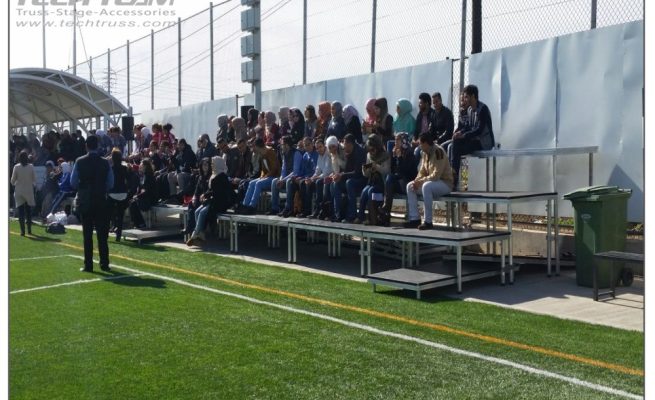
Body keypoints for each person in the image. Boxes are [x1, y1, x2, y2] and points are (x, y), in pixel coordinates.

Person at [70, 135, 114, 271]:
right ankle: (104, 263)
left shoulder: (79, 161)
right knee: (102, 235)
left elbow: (73, 182)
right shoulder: (105, 162)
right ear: (98, 146)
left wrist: (82, 187)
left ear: (86, 146)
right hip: (100, 199)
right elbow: (111, 183)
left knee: (87, 235)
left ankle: (88, 265)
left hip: (85, 200)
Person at [449, 84, 495, 190]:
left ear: (473, 96)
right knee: (454, 145)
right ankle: (454, 178)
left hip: (483, 142)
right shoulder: (469, 109)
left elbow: (479, 130)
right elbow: (467, 126)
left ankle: (455, 181)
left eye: (466, 97)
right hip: (473, 140)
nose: (464, 100)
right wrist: (459, 133)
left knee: (457, 149)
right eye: (463, 98)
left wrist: (464, 135)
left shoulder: (483, 109)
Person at [404, 133, 453, 230]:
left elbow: (436, 175)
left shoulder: (438, 152)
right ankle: (414, 219)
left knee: (426, 186)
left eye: (420, 144)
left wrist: (421, 181)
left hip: (445, 183)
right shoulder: (424, 153)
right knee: (410, 186)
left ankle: (428, 221)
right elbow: (422, 171)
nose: (419, 146)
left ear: (426, 143)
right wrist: (416, 181)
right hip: (432, 182)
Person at [378, 132, 418, 222]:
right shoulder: (396, 152)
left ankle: (386, 209)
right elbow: (392, 170)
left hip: (407, 183)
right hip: (398, 182)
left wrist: (399, 158)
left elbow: (404, 172)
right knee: (388, 180)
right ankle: (385, 212)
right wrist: (393, 157)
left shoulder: (409, 153)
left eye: (398, 140)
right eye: (395, 140)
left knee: (390, 179)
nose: (395, 142)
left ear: (404, 141)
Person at [238, 138, 280, 215]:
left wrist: (265, 176)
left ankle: (252, 206)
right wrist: (262, 176)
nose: (253, 148)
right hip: (267, 177)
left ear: (258, 146)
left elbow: (274, 169)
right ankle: (245, 205)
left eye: (255, 146)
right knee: (251, 183)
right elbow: (263, 169)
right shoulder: (261, 154)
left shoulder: (270, 152)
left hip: (274, 177)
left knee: (258, 184)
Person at [331, 133, 367, 223]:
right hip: (352, 179)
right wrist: (339, 176)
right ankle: (338, 215)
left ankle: (352, 215)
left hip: (361, 180)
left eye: (344, 143)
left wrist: (342, 175)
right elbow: (347, 170)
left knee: (349, 183)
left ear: (350, 144)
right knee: (336, 184)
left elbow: (357, 173)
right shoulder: (349, 152)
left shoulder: (360, 152)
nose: (343, 146)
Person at [358, 134, 390, 225]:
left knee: (370, 191)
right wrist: (365, 170)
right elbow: (366, 175)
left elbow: (387, 171)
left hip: (382, 184)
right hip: (372, 182)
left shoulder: (385, 155)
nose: (371, 152)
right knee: (364, 191)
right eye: (369, 150)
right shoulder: (369, 156)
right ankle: (360, 217)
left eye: (373, 150)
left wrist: (377, 167)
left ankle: (372, 218)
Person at [269, 135, 303, 216]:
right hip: (287, 179)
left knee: (288, 181)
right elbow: (283, 170)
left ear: (287, 145)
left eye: (282, 144)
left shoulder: (296, 153)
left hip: (296, 180)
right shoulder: (284, 154)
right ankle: (274, 208)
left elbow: (295, 172)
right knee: (274, 181)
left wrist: (283, 180)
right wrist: (281, 179)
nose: (281, 146)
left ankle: (288, 208)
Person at [301, 137, 332, 218]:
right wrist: (311, 179)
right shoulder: (319, 156)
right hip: (323, 178)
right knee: (307, 183)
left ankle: (319, 210)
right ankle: (308, 210)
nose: (318, 150)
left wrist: (313, 179)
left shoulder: (328, 155)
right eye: (317, 148)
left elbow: (326, 173)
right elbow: (317, 171)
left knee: (318, 182)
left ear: (324, 146)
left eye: (320, 147)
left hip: (330, 177)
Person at [11, 150, 37, 236]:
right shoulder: (31, 167)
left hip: (19, 191)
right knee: (28, 212)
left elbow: (12, 181)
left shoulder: (16, 167)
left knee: (21, 212)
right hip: (28, 191)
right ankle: (29, 230)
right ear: (27, 158)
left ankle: (22, 231)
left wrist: (16, 184)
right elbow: (34, 180)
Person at [108, 149, 131, 242]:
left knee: (109, 214)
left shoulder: (110, 169)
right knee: (120, 216)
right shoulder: (124, 168)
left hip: (112, 193)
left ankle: (109, 229)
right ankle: (118, 235)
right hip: (123, 194)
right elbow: (129, 180)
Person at [129, 158, 157, 229]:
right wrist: (136, 195)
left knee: (133, 203)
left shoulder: (149, 176)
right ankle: (138, 223)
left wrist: (138, 196)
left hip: (150, 198)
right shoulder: (143, 175)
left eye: (141, 165)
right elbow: (141, 189)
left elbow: (147, 191)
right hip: (145, 196)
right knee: (132, 202)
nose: (139, 166)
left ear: (145, 166)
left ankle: (140, 223)